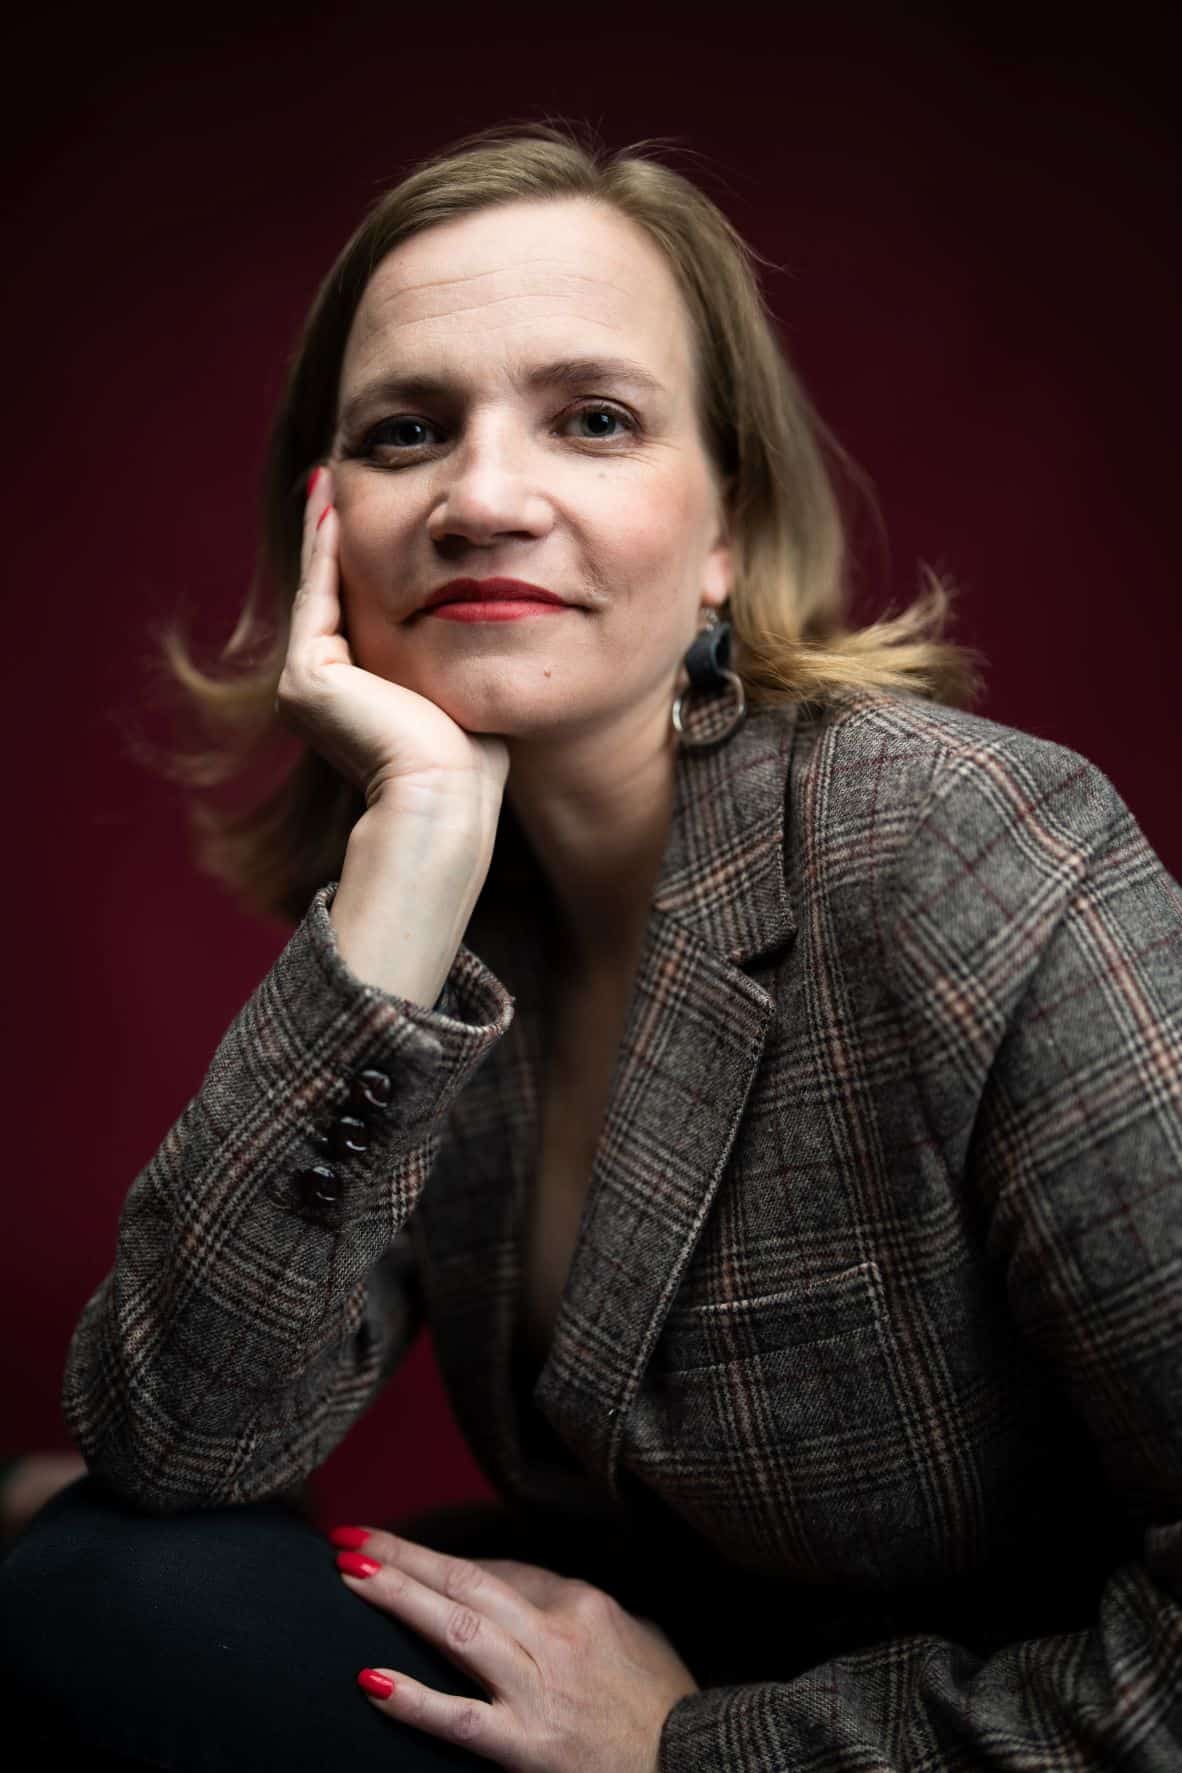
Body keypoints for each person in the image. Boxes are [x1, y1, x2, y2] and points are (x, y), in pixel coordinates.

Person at [1, 116, 1178, 1771]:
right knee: (102, 1581)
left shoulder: (953, 844)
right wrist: (411, 849)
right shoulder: (444, 897)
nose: (483, 498)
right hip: (659, 1640)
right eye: (409, 432)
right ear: (329, 524)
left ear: (721, 533)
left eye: (594, 420)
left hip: (950, 1730)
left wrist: (695, 1747)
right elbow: (180, 1440)